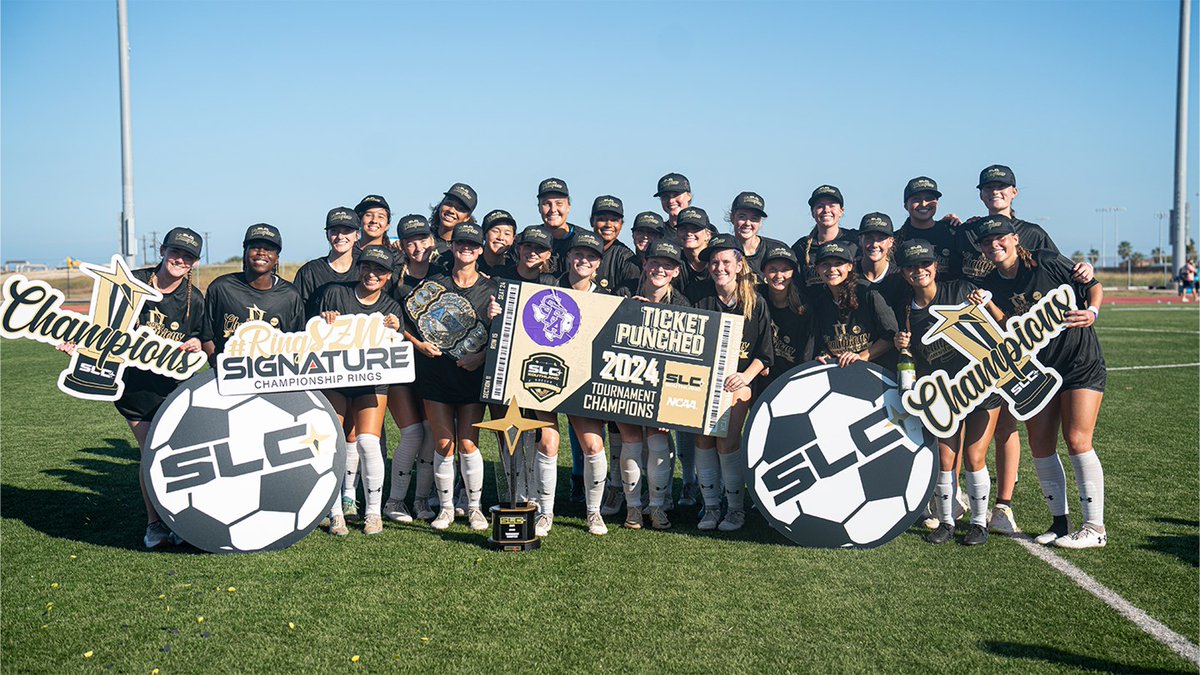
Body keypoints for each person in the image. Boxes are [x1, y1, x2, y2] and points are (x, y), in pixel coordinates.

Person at [954, 165, 1094, 535]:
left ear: (1014, 192)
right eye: (988, 187)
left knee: (1060, 437)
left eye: (1002, 187)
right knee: (1035, 438)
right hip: (1011, 352)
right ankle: (1059, 523)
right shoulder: (967, 232)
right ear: (980, 193)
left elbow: (1075, 279)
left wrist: (1090, 291)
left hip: (1065, 354)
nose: (995, 192)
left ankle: (1012, 506)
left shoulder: (1038, 240)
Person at [58, 228, 209, 548]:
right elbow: (100, 324)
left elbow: (203, 341)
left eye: (188, 256)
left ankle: (178, 521)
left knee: (174, 454)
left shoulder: (193, 299)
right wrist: (79, 344)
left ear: (194, 263)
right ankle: (156, 524)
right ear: (163, 251)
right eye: (175, 252)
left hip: (173, 389)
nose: (180, 259)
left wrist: (196, 343)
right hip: (132, 389)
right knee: (152, 452)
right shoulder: (131, 282)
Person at [974, 215, 1109, 549]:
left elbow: (1092, 285)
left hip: (1079, 360)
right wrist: (987, 304)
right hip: (1040, 367)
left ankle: (1095, 527)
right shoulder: (994, 282)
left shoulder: (1045, 262)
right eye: (988, 242)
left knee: (1077, 439)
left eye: (1001, 238)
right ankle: (1060, 523)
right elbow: (1010, 325)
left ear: (1015, 239)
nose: (995, 245)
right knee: (1040, 443)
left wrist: (1092, 311)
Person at [892, 239, 1000, 546]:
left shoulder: (961, 291)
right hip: (944, 395)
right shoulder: (906, 311)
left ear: (935, 266)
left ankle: (979, 523)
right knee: (944, 458)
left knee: (974, 456)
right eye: (911, 267)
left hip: (981, 386)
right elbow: (913, 361)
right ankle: (947, 520)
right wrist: (904, 347)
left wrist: (987, 301)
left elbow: (999, 325)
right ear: (903, 273)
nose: (919, 271)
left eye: (925, 264)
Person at [402, 222, 500, 532]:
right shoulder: (433, 284)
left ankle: (473, 508)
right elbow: (403, 321)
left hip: (472, 376)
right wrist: (419, 344)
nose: (466, 249)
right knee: (443, 444)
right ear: (453, 247)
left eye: (472, 244)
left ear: (480, 250)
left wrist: (481, 357)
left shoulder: (493, 289)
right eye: (461, 244)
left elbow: (504, 337)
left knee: (469, 444)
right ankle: (445, 508)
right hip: (436, 374)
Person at [317, 245, 405, 536]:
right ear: (359, 267)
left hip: (372, 381)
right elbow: (314, 337)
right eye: (367, 267)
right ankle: (335, 513)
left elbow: (396, 351)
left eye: (380, 270)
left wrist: (396, 329)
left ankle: (373, 512)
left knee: (368, 442)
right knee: (334, 442)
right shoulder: (336, 294)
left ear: (388, 275)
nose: (372, 274)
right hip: (337, 380)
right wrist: (325, 320)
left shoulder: (392, 307)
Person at [688, 234, 773, 531]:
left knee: (726, 438)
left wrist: (744, 377)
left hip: (739, 382)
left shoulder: (755, 302)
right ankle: (711, 506)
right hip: (703, 382)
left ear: (739, 265)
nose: (719, 267)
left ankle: (735, 508)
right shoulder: (700, 299)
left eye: (726, 261)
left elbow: (764, 354)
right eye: (714, 262)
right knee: (702, 439)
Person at [611, 240, 692, 530]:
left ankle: (656, 507)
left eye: (667, 265)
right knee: (631, 441)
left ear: (675, 272)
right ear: (645, 265)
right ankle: (633, 508)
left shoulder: (681, 303)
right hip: (626, 377)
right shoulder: (624, 293)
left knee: (658, 439)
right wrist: (627, 311)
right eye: (655, 262)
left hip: (663, 383)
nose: (659, 269)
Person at [549, 230, 613, 536]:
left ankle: (593, 512)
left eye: (590, 256)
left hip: (582, 382)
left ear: (598, 263)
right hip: (544, 376)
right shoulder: (546, 287)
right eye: (578, 254)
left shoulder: (606, 299)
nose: (583, 260)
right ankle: (544, 512)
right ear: (569, 257)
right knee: (548, 443)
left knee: (593, 444)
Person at [382, 215, 441, 523]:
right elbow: (385, 319)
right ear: (401, 246)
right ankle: (394, 501)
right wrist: (416, 343)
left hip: (434, 367)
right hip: (401, 365)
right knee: (412, 432)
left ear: (431, 240)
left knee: (431, 433)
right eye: (410, 241)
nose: (418, 246)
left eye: (422, 239)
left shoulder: (442, 272)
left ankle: (420, 501)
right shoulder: (392, 278)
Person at [203, 224, 304, 358]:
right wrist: (218, 365)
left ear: (277, 258)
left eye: (268, 249)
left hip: (274, 375)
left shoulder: (290, 295)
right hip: (228, 373)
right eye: (255, 247)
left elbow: (298, 344)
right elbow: (205, 335)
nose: (261, 252)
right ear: (245, 252)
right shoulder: (221, 288)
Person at [808, 241, 898, 370]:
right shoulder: (819, 301)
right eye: (825, 264)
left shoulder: (868, 292)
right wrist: (824, 355)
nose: (832, 269)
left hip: (878, 373)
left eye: (838, 264)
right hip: (840, 373)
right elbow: (821, 342)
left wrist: (861, 357)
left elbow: (891, 335)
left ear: (850, 266)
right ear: (817, 269)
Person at [757, 245, 812, 392]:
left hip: (793, 378)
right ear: (764, 272)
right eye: (773, 269)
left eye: (785, 270)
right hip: (760, 374)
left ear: (793, 273)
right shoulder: (756, 298)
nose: (779, 275)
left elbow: (807, 354)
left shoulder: (804, 308)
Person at [294, 206, 360, 318]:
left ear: (357, 235)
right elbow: (297, 314)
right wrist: (319, 317)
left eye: (347, 231)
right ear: (327, 235)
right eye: (334, 231)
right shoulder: (309, 272)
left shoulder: (363, 269)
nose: (340, 236)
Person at [791, 185, 859, 294]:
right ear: (813, 212)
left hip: (850, 305)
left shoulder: (855, 241)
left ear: (841, 211)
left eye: (832, 205)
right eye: (820, 206)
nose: (826, 210)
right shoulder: (800, 247)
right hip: (815, 309)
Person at [895, 177, 960, 279]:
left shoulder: (953, 232)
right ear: (905, 205)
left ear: (937, 203)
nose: (924, 204)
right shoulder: (896, 240)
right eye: (916, 199)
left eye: (929, 199)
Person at [727, 191, 787, 277]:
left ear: (760, 222)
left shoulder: (777, 249)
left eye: (754, 218)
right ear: (732, 217)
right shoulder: (723, 252)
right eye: (742, 217)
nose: (747, 223)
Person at [855, 212, 907, 309]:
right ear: (860, 240)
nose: (874, 244)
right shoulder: (849, 274)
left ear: (891, 242)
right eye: (869, 238)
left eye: (881, 239)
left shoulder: (900, 277)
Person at [590, 195, 640, 292]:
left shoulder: (627, 259)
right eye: (602, 219)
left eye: (614, 220)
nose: (608, 225)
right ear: (592, 221)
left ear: (621, 224)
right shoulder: (577, 250)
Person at [430, 182, 479, 259]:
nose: (451, 210)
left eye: (459, 209)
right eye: (449, 204)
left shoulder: (468, 248)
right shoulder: (424, 239)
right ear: (440, 205)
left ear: (467, 217)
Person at [479, 209, 516, 275]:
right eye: (495, 231)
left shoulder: (514, 269)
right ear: (484, 234)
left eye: (507, 233)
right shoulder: (471, 263)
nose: (500, 237)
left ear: (513, 239)